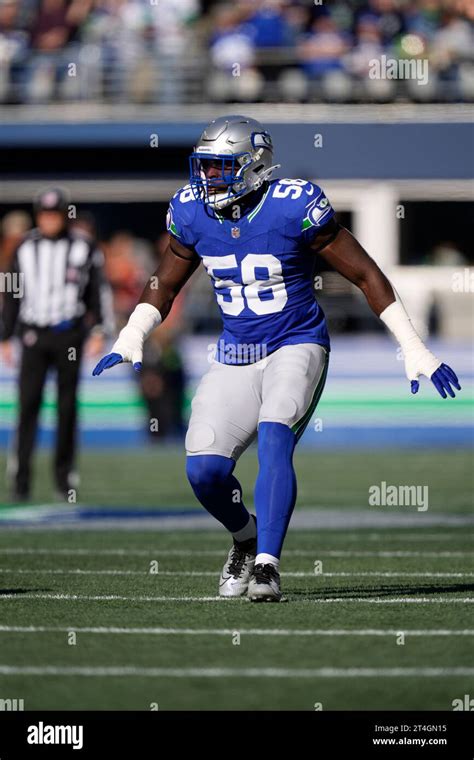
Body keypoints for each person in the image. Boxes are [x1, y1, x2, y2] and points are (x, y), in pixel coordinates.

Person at [92, 115, 461, 602]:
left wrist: (413, 347)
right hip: (236, 352)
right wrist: (134, 331)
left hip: (297, 342)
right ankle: (245, 536)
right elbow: (166, 281)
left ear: (253, 166)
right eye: (204, 167)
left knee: (274, 435)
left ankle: (267, 564)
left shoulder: (293, 206)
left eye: (221, 168)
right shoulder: (191, 211)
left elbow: (368, 275)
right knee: (203, 470)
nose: (208, 179)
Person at [0, 186, 114, 501]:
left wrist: (100, 331)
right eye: (45, 214)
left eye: (56, 213)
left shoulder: (84, 246)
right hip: (33, 333)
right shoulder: (24, 246)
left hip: (69, 334)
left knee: (66, 408)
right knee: (28, 407)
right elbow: (11, 292)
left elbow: (98, 291)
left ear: (65, 215)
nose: (50, 220)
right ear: (39, 215)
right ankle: (20, 481)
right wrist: (5, 336)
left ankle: (64, 480)